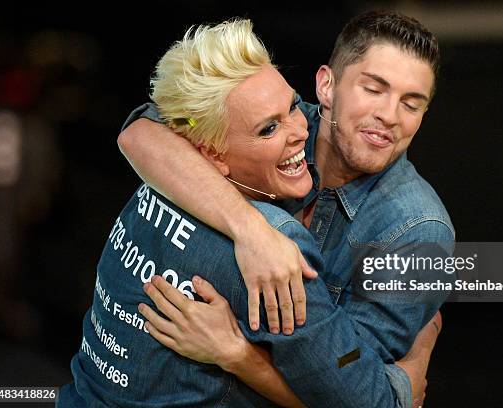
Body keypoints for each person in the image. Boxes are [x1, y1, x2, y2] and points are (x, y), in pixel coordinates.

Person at [58, 18, 436, 408]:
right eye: (268, 128)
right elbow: (362, 399)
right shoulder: (276, 252)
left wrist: (237, 355)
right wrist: (406, 380)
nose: (299, 129)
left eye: (412, 103)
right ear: (209, 153)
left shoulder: (161, 179)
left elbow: (142, 132)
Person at [118, 10, 454, 359]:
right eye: (373, 89)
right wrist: (251, 230)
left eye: (411, 105)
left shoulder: (419, 231)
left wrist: (237, 357)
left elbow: (354, 380)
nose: (390, 115)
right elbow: (142, 132)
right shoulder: (285, 121)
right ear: (326, 86)